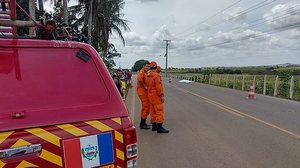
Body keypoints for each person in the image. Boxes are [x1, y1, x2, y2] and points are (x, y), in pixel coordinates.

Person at [146, 61, 169, 133]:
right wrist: (161, 95)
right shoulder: (157, 76)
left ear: (150, 67)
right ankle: (160, 127)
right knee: (159, 111)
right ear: (156, 67)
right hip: (156, 96)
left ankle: (154, 126)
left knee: (152, 111)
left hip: (150, 95)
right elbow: (158, 87)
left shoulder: (148, 75)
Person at [137, 61, 151, 129]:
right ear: (143, 66)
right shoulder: (142, 72)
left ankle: (143, 122)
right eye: (147, 66)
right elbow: (140, 80)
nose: (148, 67)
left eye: (149, 66)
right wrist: (145, 86)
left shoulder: (145, 73)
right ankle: (142, 124)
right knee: (146, 107)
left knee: (146, 107)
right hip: (142, 92)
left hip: (144, 92)